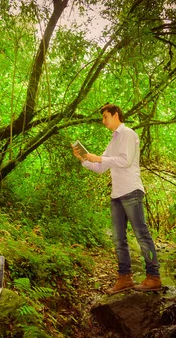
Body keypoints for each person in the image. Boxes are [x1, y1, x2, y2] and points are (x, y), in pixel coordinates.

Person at [72, 103, 162, 294]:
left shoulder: (128, 134)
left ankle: (154, 276)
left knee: (141, 234)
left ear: (115, 115)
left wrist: (99, 158)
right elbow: (100, 168)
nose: (103, 121)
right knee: (118, 239)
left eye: (105, 116)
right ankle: (125, 277)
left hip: (131, 191)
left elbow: (125, 160)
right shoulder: (113, 141)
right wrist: (84, 159)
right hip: (117, 195)